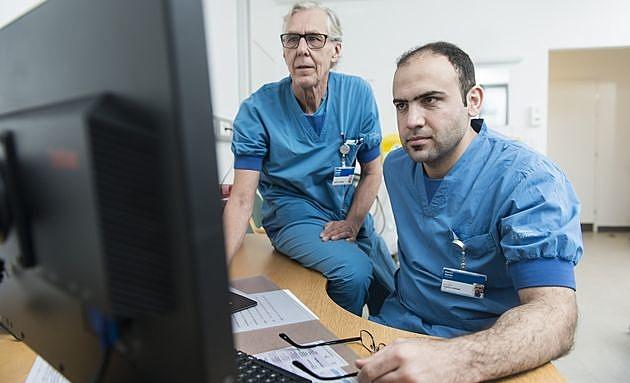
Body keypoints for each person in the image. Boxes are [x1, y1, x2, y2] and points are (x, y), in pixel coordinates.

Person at [355, 42, 583, 382]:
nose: (412, 120)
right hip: (394, 330)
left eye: (430, 100)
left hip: (481, 349)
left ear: (472, 101)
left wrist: (457, 361)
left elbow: (554, 315)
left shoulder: (530, 182)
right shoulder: (398, 168)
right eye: (402, 106)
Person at [222, 1, 395, 317]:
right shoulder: (257, 110)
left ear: (335, 51)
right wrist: (215, 274)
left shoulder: (357, 95)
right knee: (353, 272)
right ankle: (339, 350)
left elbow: (372, 171)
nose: (302, 48)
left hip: (344, 209)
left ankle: (386, 349)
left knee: (392, 288)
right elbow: (242, 199)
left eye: (314, 38)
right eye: (292, 39)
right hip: (293, 215)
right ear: (285, 50)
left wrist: (354, 222)